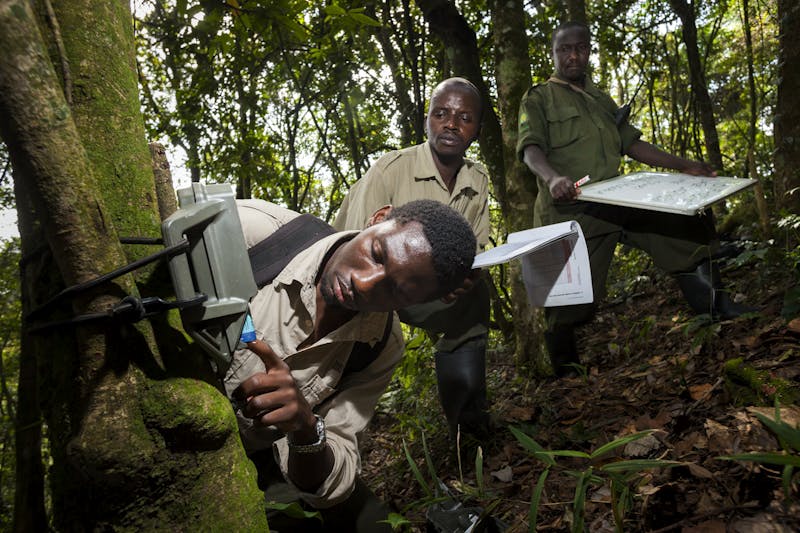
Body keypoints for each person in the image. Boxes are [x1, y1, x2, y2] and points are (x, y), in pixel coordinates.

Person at [517, 21, 755, 377]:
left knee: (681, 233)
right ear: (553, 54)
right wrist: (553, 179)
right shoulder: (538, 98)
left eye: (580, 48)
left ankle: (717, 310)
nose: (572, 55)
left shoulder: (600, 99)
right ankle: (567, 377)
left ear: (588, 52)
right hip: (571, 210)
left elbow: (631, 143)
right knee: (567, 301)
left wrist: (685, 165)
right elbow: (529, 148)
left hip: (619, 201)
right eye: (564, 49)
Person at [225, 198, 477, 532]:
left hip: (249, 461)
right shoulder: (254, 233)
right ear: (379, 217)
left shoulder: (379, 347)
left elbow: (332, 477)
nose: (365, 283)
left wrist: (304, 427)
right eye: (376, 254)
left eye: (394, 291)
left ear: (415, 304)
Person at [333, 77, 492, 439]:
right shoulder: (391, 170)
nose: (451, 124)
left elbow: (476, 250)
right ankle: (328, 447)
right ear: (427, 121)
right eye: (441, 114)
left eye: (464, 117)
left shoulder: (476, 179)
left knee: (474, 301)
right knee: (352, 356)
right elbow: (353, 246)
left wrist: (463, 279)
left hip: (422, 287)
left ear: (478, 130)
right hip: (362, 283)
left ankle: (469, 433)